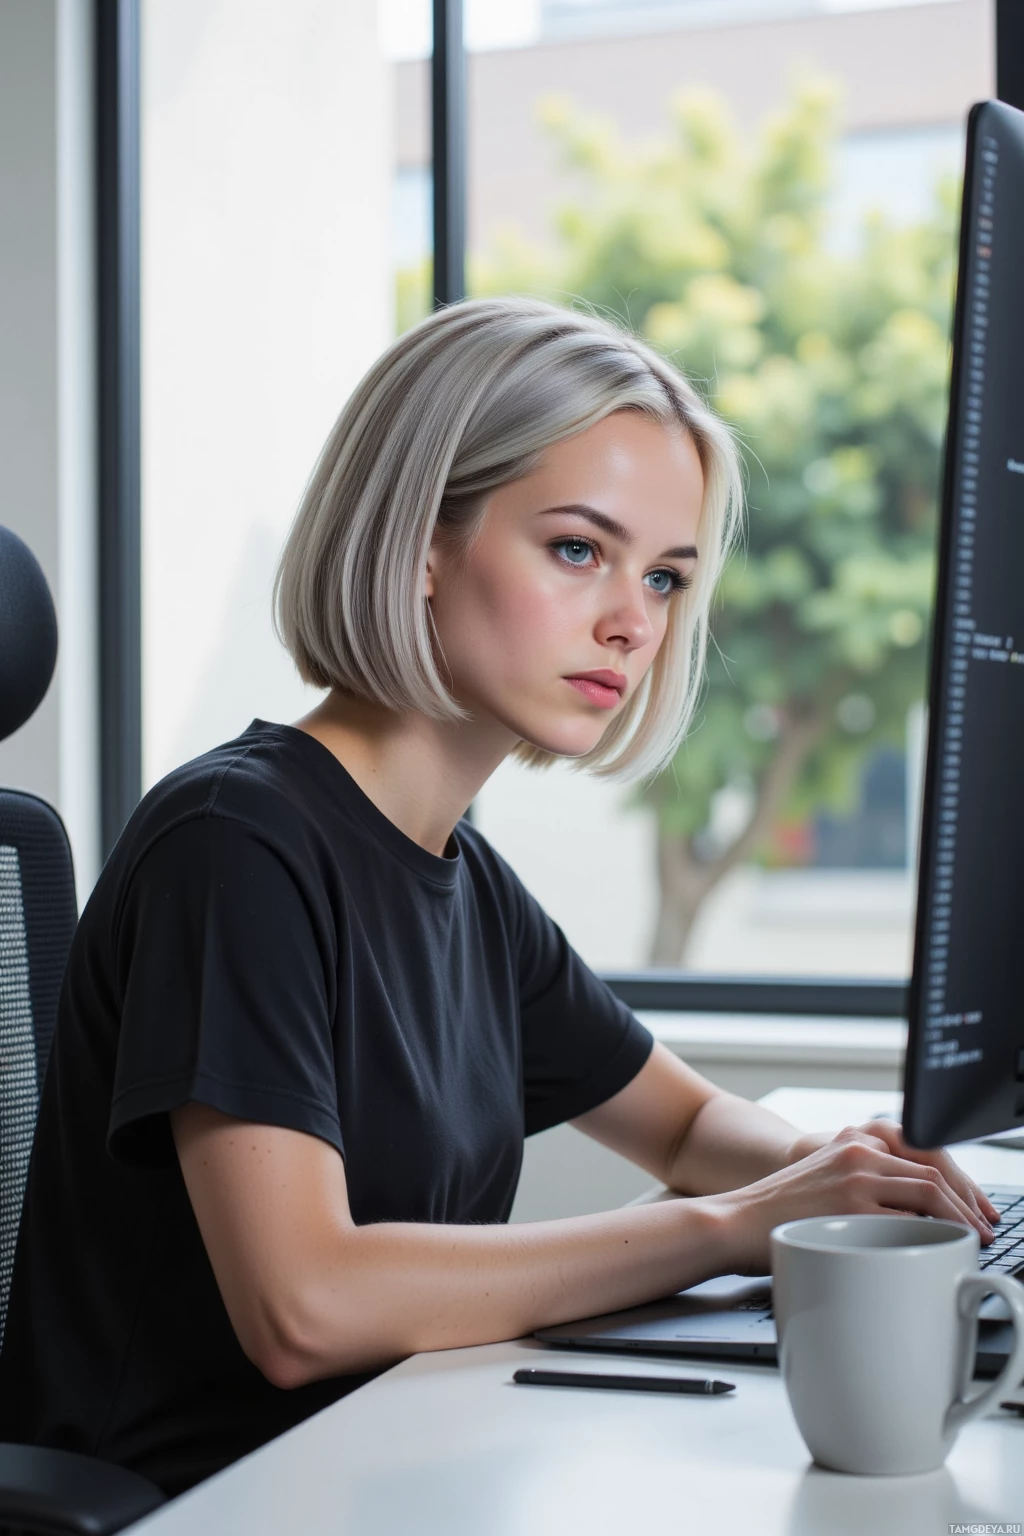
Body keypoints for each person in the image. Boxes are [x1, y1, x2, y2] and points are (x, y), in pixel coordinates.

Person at [0, 297, 996, 1497]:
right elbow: (302, 1305)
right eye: (578, 549)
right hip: (212, 1503)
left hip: (387, 1468)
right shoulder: (236, 846)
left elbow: (678, 1128)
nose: (634, 623)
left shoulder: (461, 878)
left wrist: (845, 1179)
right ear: (420, 540)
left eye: (668, 576)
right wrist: (733, 1226)